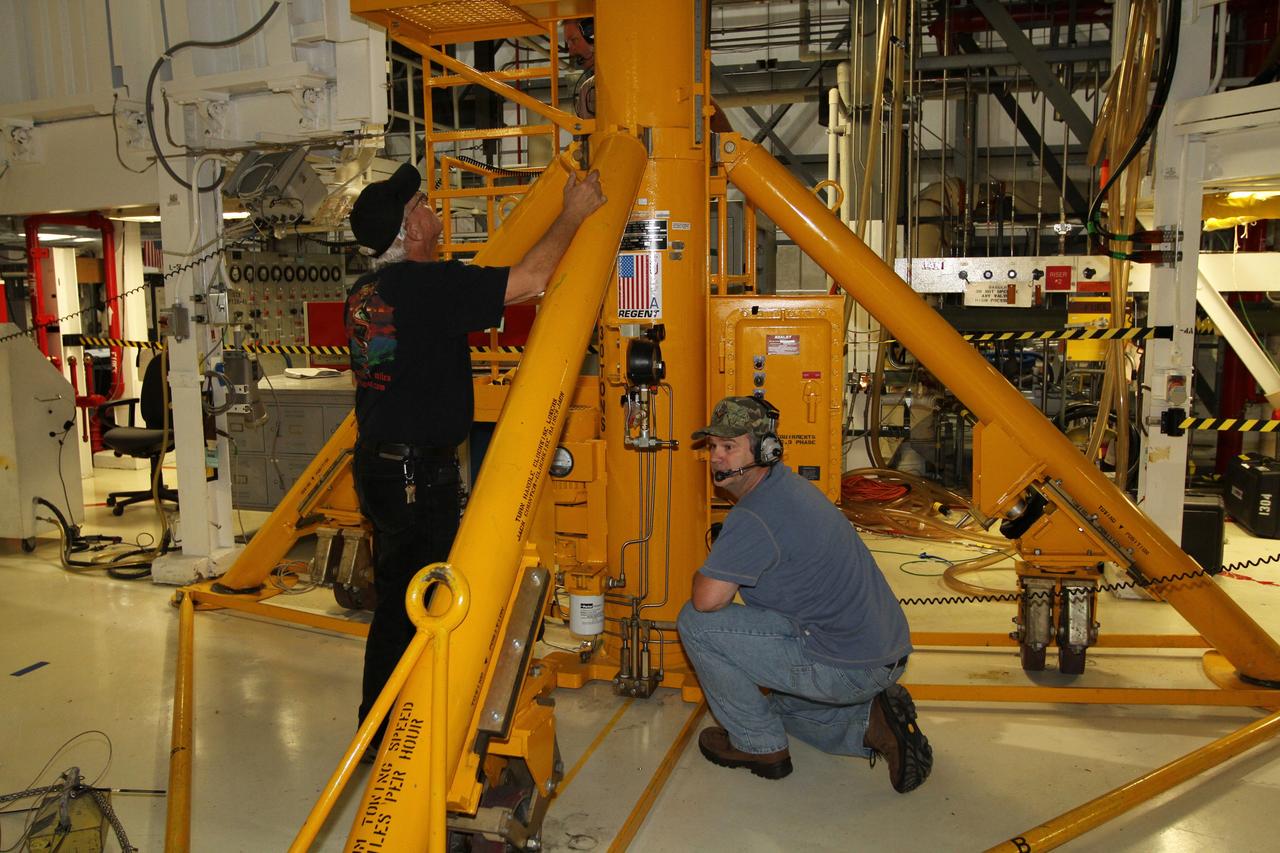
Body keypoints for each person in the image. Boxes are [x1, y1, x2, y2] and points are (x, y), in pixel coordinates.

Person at [345, 162, 605, 750]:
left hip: (381, 467)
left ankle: (381, 724)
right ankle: (401, 737)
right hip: (417, 480)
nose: (430, 205)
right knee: (427, 603)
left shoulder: (369, 290)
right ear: (412, 232)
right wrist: (574, 211)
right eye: (419, 204)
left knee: (397, 601)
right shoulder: (425, 286)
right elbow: (534, 277)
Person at [677, 396, 933, 791]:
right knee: (773, 706)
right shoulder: (791, 486)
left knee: (695, 623)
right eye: (713, 447)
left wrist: (706, 568)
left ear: (766, 450)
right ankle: (872, 725)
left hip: (849, 666)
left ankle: (758, 746)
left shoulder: (754, 514)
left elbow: (707, 600)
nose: (716, 458)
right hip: (879, 651)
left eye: (730, 447)